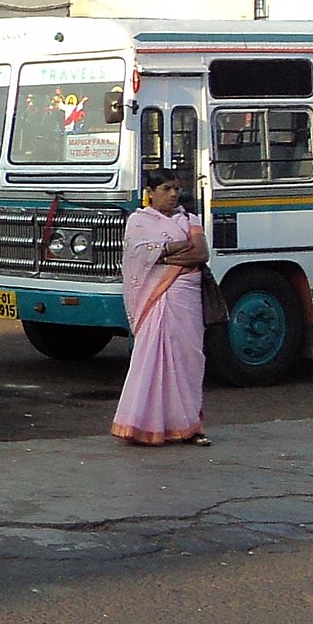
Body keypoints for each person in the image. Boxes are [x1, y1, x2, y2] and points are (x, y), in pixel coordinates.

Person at [113, 167, 210, 447]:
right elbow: (138, 254)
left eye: (176, 189)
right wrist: (178, 248)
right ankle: (146, 425)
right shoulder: (139, 221)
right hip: (157, 299)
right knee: (153, 360)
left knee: (189, 360)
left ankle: (188, 426)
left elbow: (201, 253)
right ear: (150, 193)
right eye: (166, 189)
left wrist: (165, 254)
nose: (172, 194)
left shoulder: (189, 218)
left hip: (186, 300)